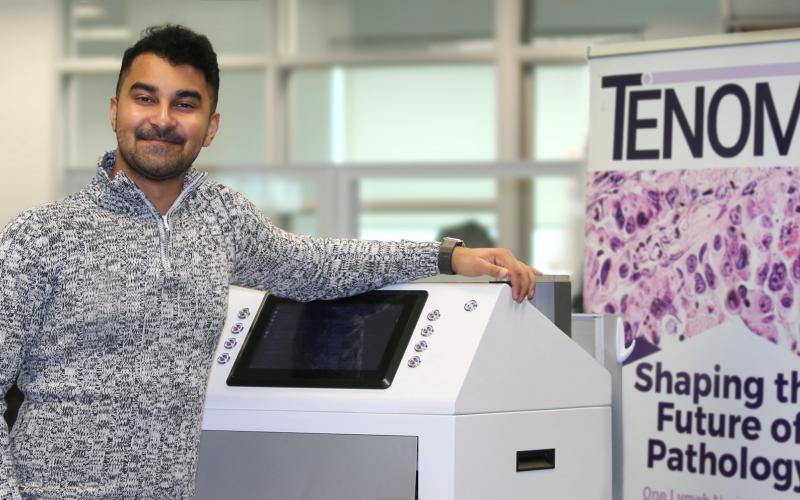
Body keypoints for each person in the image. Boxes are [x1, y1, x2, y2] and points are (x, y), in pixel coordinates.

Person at [0, 25, 540, 499]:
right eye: (145, 99)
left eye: (185, 104)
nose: (162, 119)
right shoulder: (41, 236)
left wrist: (444, 255)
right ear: (115, 109)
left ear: (210, 127)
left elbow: (315, 265)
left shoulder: (223, 217)